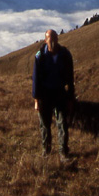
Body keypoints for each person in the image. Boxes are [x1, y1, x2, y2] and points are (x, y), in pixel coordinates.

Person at [32, 29, 75, 161]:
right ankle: (47, 151)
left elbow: (70, 77)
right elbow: (36, 80)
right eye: (50, 39)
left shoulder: (65, 55)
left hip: (60, 93)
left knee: (62, 123)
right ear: (46, 40)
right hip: (45, 94)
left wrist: (70, 97)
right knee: (45, 124)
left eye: (55, 39)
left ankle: (63, 152)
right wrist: (36, 99)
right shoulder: (40, 57)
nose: (53, 42)